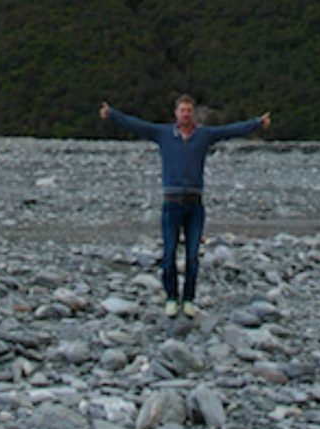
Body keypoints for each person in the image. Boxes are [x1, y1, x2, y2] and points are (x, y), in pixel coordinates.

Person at [100, 94, 271, 317]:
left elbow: (230, 130)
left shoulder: (204, 135)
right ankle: (171, 297)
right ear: (176, 113)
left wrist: (257, 123)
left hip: (195, 205)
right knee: (169, 253)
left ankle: (188, 299)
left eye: (189, 110)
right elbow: (137, 125)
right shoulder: (163, 134)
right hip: (171, 204)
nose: (186, 114)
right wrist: (112, 114)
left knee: (192, 256)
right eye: (182, 110)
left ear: (193, 113)